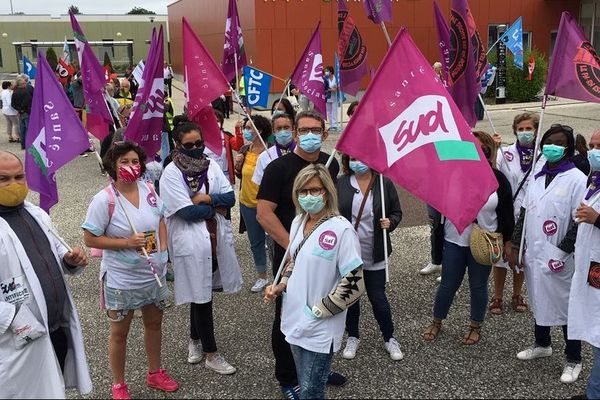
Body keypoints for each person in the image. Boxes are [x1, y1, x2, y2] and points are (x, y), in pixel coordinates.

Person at [256, 110, 344, 399]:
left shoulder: (330, 164)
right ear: (294, 133)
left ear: (324, 133)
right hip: (289, 253)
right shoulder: (277, 168)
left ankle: (317, 366)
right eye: (303, 130)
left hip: (325, 254)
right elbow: (264, 214)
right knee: (288, 314)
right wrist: (295, 246)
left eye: (315, 130)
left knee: (323, 309)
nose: (310, 136)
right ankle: (287, 375)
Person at [82, 141, 178, 399]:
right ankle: (118, 384)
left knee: (154, 324)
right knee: (119, 333)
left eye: (135, 161)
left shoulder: (148, 188)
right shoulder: (105, 199)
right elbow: (90, 238)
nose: (131, 166)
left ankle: (155, 372)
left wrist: (163, 252)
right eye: (124, 162)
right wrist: (125, 243)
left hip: (152, 274)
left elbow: (160, 219)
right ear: (112, 166)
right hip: (121, 279)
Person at [265, 164, 365, 399]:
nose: (309, 196)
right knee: (303, 380)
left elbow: (355, 282)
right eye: (303, 191)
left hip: (319, 327)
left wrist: (320, 310)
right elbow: (294, 262)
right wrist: (281, 285)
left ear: (327, 192)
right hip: (292, 320)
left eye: (315, 190)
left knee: (311, 391)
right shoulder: (298, 222)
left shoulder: (342, 230)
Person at [0, 151, 91, 398]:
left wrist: (69, 260)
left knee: (54, 387)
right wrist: (13, 319)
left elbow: (57, 251)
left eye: (19, 177)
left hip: (54, 330)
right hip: (16, 339)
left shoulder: (36, 214)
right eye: (4, 179)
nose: (14, 185)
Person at [159, 121, 242, 375]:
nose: (195, 149)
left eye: (199, 143)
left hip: (213, 238)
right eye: (189, 145)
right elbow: (185, 212)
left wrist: (207, 199)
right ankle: (211, 353)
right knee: (202, 296)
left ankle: (194, 340)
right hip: (190, 241)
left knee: (202, 291)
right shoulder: (171, 174)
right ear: (177, 145)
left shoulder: (210, 165)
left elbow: (230, 198)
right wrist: (212, 209)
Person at [508, 124, 587, 384]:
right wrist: (516, 245)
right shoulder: (537, 176)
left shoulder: (576, 179)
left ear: (568, 148)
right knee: (539, 298)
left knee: (565, 307)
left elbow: (579, 221)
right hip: (535, 252)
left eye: (559, 142)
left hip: (560, 257)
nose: (552, 146)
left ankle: (574, 359)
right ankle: (542, 344)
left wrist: (562, 252)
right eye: (548, 141)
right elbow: (525, 212)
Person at [423, 131, 514, 345]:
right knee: (448, 284)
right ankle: (437, 321)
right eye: (472, 148)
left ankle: (475, 325)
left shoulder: (498, 179)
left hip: (484, 241)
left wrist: (508, 241)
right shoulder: (451, 175)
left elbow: (506, 213)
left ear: (489, 152)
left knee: (478, 286)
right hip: (454, 239)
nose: (477, 153)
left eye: (483, 149)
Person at [337, 154, 404, 361]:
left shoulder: (384, 182)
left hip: (375, 251)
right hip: (349, 253)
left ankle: (389, 338)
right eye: (353, 158)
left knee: (378, 298)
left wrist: (390, 222)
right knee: (351, 298)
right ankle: (353, 336)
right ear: (346, 160)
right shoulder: (340, 183)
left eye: (361, 157)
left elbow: (396, 212)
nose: (358, 161)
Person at [491, 112, 539, 314]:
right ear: (515, 131)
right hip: (507, 213)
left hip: (530, 214)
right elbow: (493, 172)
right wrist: (494, 149)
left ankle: (517, 294)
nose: (525, 132)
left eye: (529, 129)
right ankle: (498, 296)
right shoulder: (506, 152)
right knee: (501, 256)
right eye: (521, 129)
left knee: (522, 256)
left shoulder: (542, 155)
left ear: (536, 131)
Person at [569, 128, 600, 399]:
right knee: (594, 330)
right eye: (591, 145)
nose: (593, 151)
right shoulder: (595, 180)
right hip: (590, 266)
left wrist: (596, 218)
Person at [235, 115, 271, 293]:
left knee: (273, 240)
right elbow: (242, 176)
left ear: (260, 130)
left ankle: (281, 274)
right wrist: (237, 166)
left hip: (269, 205)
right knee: (255, 241)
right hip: (247, 203)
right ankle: (262, 276)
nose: (245, 131)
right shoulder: (245, 149)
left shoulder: (270, 151)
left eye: (249, 128)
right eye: (245, 127)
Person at [252, 113, 296, 187]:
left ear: (293, 129)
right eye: (279, 128)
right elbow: (259, 185)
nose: (283, 131)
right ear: (273, 131)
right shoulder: (264, 157)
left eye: (286, 127)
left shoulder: (303, 153)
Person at [11, 76, 34, 149]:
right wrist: (22, 110)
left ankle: (23, 145)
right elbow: (27, 102)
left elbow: (12, 104)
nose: (25, 84)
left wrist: (19, 110)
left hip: (20, 113)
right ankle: (28, 145)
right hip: (26, 112)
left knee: (22, 129)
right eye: (24, 83)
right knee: (27, 129)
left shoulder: (14, 92)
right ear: (21, 84)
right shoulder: (25, 92)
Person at [323, 66, 338, 131]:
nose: (326, 72)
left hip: (334, 97)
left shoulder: (336, 78)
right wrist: (330, 89)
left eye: (327, 71)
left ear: (331, 72)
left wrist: (330, 89)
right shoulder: (325, 79)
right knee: (328, 112)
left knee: (334, 111)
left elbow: (336, 88)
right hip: (327, 97)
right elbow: (324, 88)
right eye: (325, 71)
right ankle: (331, 125)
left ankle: (335, 125)